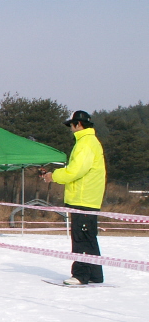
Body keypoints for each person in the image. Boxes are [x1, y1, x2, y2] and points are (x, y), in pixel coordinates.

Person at [41, 110, 106, 285]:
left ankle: (81, 275)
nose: (70, 129)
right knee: (89, 237)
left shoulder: (85, 143)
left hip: (82, 199)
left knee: (81, 238)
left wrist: (53, 176)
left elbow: (76, 171)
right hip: (88, 198)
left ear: (78, 124)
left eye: (71, 125)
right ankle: (95, 274)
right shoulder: (90, 142)